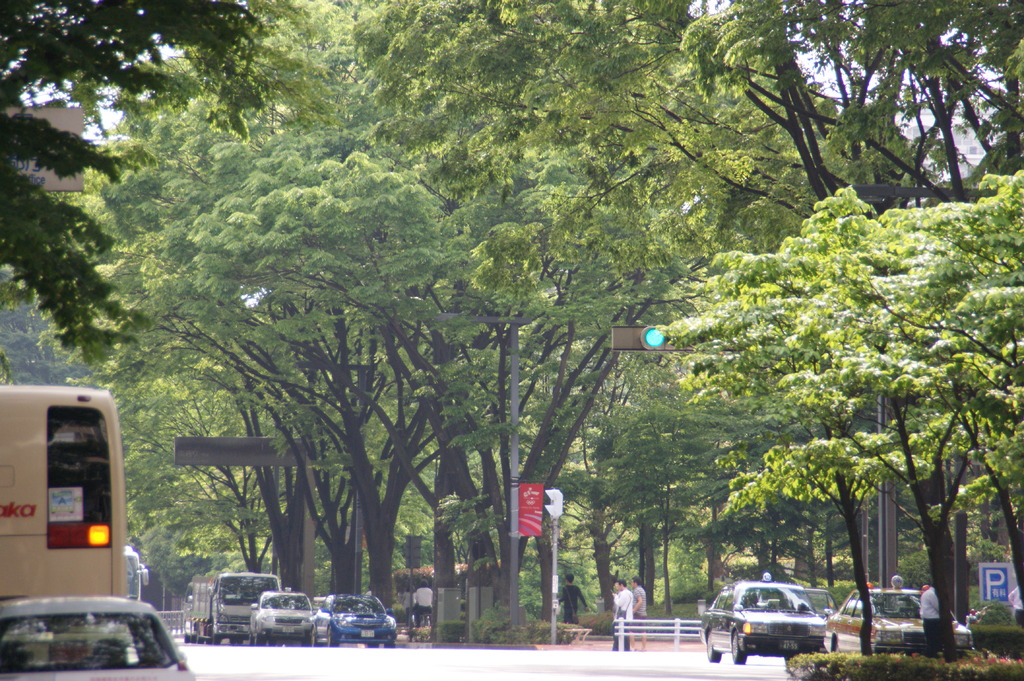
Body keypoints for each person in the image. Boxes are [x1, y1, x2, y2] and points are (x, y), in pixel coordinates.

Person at [919, 584, 941, 658]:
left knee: (929, 640)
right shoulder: (932, 594)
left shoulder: (925, 594)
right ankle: (934, 655)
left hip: (926, 620)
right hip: (933, 620)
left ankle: (929, 655)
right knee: (935, 641)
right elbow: (938, 607)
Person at [611, 579, 633, 651]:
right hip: (628, 616)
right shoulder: (630, 593)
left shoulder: (623, 593)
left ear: (621, 585)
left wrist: (615, 597)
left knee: (618, 635)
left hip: (622, 617)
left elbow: (619, 603)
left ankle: (617, 649)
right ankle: (626, 649)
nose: (617, 587)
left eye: (618, 585)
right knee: (625, 635)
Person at [631, 576, 648, 651]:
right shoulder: (642, 590)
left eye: (632, 582)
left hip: (637, 614)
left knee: (630, 630)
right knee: (643, 631)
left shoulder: (636, 590)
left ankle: (632, 647)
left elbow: (640, 601)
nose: (631, 584)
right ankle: (643, 648)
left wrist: (634, 610)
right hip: (643, 613)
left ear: (635, 583)